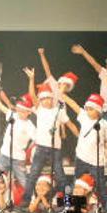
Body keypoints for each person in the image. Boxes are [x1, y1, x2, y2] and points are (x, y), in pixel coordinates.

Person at [22, 68, 75, 202]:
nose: (47, 101)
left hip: (55, 149)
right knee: (33, 174)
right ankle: (26, 200)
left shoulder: (59, 111)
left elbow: (70, 125)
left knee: (61, 176)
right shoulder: (39, 109)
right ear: (40, 100)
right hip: (41, 148)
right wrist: (31, 79)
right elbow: (32, 94)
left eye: (49, 99)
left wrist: (81, 136)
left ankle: (67, 201)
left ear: (53, 99)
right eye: (44, 99)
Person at [62, 93, 107, 205]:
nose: (88, 111)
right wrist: (63, 95)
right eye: (87, 109)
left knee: (101, 187)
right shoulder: (84, 116)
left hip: (96, 162)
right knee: (76, 184)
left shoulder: (105, 125)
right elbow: (74, 105)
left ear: (98, 110)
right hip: (81, 158)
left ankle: (106, 212)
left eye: (91, 109)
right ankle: (70, 206)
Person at [0, 93, 35, 189]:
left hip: (18, 158)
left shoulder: (30, 126)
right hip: (4, 154)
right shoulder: (13, 116)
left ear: (29, 112)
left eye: (23, 111)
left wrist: (28, 150)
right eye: (19, 110)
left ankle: (33, 200)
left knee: (24, 181)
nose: (20, 112)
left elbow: (36, 140)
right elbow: (0, 106)